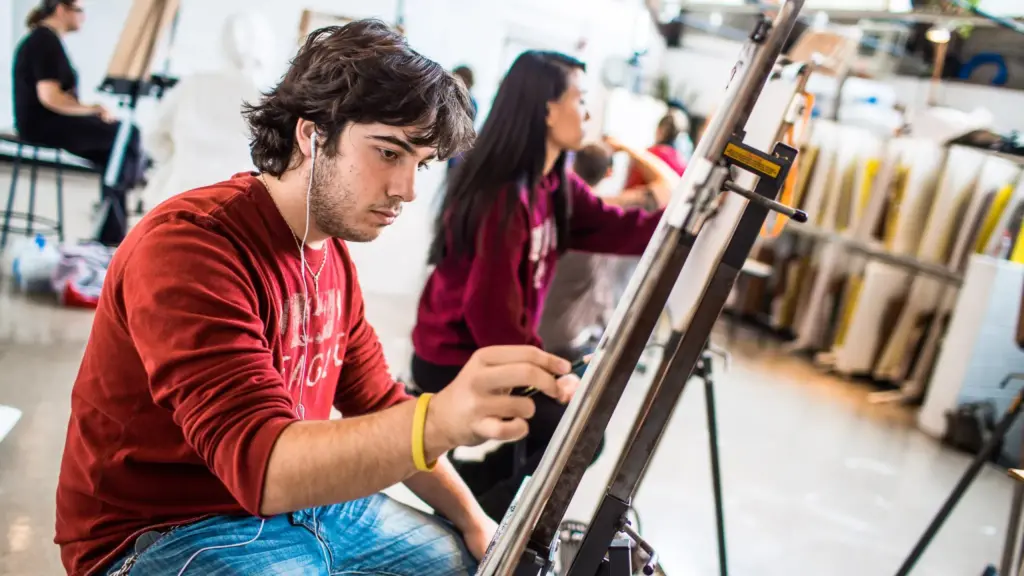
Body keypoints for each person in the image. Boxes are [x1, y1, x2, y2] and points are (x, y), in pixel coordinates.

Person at [55, 20, 581, 576]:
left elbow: (380, 403)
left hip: (308, 507)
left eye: (420, 163)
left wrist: (479, 525)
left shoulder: (329, 256)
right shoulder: (191, 246)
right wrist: (441, 420)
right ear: (312, 134)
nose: (407, 189)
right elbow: (263, 467)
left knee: (464, 560)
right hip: (165, 530)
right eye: (388, 153)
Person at [410, 50, 666, 521]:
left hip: (494, 348)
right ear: (546, 108)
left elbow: (620, 227)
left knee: (564, 431)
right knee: (577, 436)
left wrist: (686, 216)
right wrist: (550, 375)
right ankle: (481, 531)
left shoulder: (555, 185)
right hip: (454, 357)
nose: (589, 113)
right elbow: (491, 313)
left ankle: (466, 505)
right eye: (581, 100)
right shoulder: (506, 193)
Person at [12, 0, 145, 245]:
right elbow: (50, 98)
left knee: (116, 153)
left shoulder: (45, 40)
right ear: (61, 9)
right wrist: (91, 109)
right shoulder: (44, 41)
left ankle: (110, 228)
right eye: (79, 10)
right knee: (127, 136)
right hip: (42, 124)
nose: (83, 17)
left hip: (47, 121)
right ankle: (116, 223)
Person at [538, 137, 681, 360]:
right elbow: (673, 189)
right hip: (571, 342)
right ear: (609, 174)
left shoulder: (549, 208)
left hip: (537, 332)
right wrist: (627, 146)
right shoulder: (606, 212)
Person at [140, 12, 274, 208]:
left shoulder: (192, 85)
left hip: (178, 193)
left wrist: (176, 159)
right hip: (237, 203)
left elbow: (153, 138)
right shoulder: (267, 97)